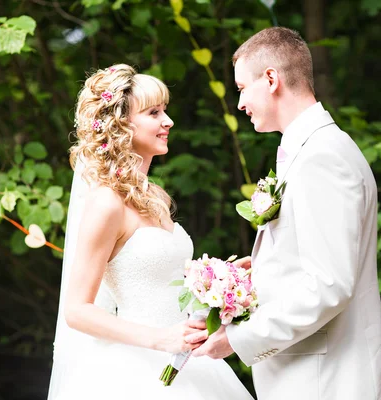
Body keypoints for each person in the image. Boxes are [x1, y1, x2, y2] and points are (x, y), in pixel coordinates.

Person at [190, 27, 381, 400]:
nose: (239, 104)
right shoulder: (310, 149)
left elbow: (329, 285)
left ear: (271, 79)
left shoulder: (322, 157)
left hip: (326, 381)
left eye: (241, 89)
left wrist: (238, 339)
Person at [47, 64, 253, 399]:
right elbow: (77, 310)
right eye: (154, 112)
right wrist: (161, 339)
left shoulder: (155, 196)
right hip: (137, 369)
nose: (168, 121)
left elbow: (162, 274)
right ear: (122, 125)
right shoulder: (106, 203)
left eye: (166, 111)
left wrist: (222, 277)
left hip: (190, 361)